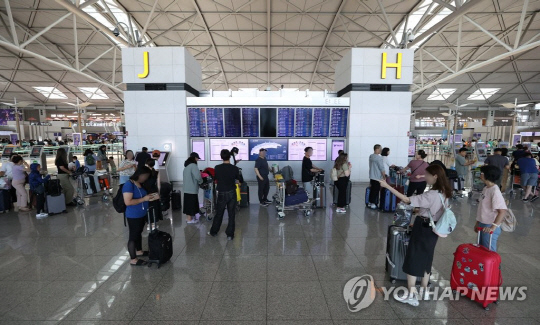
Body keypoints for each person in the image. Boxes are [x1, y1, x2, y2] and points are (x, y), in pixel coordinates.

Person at [378, 164, 452, 307]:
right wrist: (419, 212)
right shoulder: (444, 191)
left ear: (435, 176)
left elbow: (407, 200)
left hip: (423, 228)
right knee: (426, 258)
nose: (425, 177)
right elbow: (434, 210)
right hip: (434, 229)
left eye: (427, 175)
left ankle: (411, 295)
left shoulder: (431, 194)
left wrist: (387, 186)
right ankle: (424, 290)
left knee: (413, 258)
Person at [123, 167, 159, 266]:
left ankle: (139, 251)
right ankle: (133, 259)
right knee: (133, 236)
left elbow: (143, 196)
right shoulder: (128, 185)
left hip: (142, 213)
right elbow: (128, 202)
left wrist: (151, 197)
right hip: (133, 215)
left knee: (138, 233)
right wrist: (144, 199)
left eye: (147, 177)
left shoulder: (140, 184)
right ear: (139, 174)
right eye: (144, 176)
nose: (145, 178)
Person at [208, 149, 241, 240]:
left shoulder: (217, 167)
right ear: (230, 157)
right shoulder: (235, 168)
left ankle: (214, 232)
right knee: (231, 214)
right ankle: (230, 235)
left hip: (222, 193)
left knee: (219, 213)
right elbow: (238, 180)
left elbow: (216, 178)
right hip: (231, 193)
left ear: (221, 157)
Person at [474, 165, 508, 252]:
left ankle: (494, 266)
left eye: (481, 173)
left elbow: (502, 211)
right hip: (483, 223)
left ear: (487, 175)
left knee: (489, 251)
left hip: (489, 225)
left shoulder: (495, 191)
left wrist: (493, 227)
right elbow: (483, 207)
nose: (480, 174)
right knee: (482, 249)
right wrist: (478, 222)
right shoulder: (486, 188)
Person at [183, 153, 203, 224]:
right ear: (194, 158)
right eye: (197, 158)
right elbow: (197, 176)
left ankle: (188, 218)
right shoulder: (193, 166)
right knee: (191, 204)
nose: (197, 160)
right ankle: (189, 220)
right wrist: (201, 181)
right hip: (192, 188)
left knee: (188, 204)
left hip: (186, 188)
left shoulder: (187, 166)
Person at [143, 159, 162, 230]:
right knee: (154, 208)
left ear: (146, 165)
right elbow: (158, 185)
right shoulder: (156, 172)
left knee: (147, 208)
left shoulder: (144, 174)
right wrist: (158, 193)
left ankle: (148, 224)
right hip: (154, 192)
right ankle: (154, 224)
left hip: (146, 193)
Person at [368, 144, 385, 209]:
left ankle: (370, 202)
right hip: (377, 177)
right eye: (380, 149)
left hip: (372, 176)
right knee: (376, 190)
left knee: (372, 189)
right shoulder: (379, 157)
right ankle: (373, 203)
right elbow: (382, 168)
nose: (381, 150)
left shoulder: (371, 156)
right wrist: (384, 176)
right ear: (376, 149)